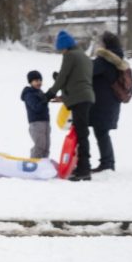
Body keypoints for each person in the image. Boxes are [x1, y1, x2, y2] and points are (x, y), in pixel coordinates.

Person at [45, 30, 94, 181]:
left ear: (65, 46)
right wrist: (64, 96)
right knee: (81, 132)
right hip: (86, 97)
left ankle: (84, 169)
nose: (62, 52)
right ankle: (82, 166)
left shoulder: (70, 55)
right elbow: (77, 79)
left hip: (79, 99)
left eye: (62, 49)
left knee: (81, 133)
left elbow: (63, 76)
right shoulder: (84, 57)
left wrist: (50, 93)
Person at [89, 31, 129, 173]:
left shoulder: (104, 60)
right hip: (111, 103)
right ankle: (108, 162)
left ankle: (107, 163)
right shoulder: (117, 59)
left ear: (105, 44)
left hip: (102, 104)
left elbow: (86, 71)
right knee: (102, 132)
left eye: (100, 42)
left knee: (101, 133)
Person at [21, 70, 49, 159]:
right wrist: (46, 99)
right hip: (36, 123)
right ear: (31, 82)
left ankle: (43, 165)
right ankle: (33, 164)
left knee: (46, 147)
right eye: (36, 81)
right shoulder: (29, 94)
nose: (39, 83)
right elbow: (36, 107)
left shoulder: (40, 92)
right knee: (40, 146)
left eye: (40, 80)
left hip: (45, 122)